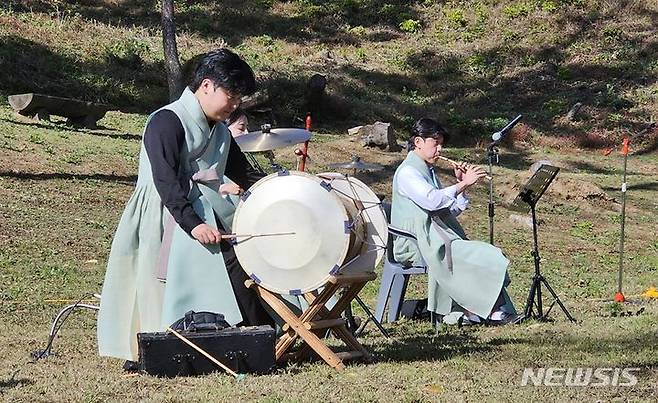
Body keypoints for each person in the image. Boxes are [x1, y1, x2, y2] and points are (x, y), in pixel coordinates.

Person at [97, 49, 272, 363]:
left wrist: (280, 191)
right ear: (206, 86)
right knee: (157, 287)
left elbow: (244, 173)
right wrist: (194, 224)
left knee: (241, 257)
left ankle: (258, 336)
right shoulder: (166, 121)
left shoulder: (220, 131)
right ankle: (155, 349)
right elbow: (166, 181)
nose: (235, 105)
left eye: (238, 99)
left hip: (204, 211)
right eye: (231, 95)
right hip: (165, 212)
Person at [391, 118, 518, 325]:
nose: (440, 149)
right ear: (418, 142)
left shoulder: (427, 170)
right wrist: (463, 184)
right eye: (435, 143)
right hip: (415, 242)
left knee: (483, 254)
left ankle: (479, 312)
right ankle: (489, 312)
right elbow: (432, 201)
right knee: (478, 255)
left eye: (441, 144)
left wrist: (461, 185)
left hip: (435, 237)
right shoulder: (408, 172)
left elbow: (449, 211)